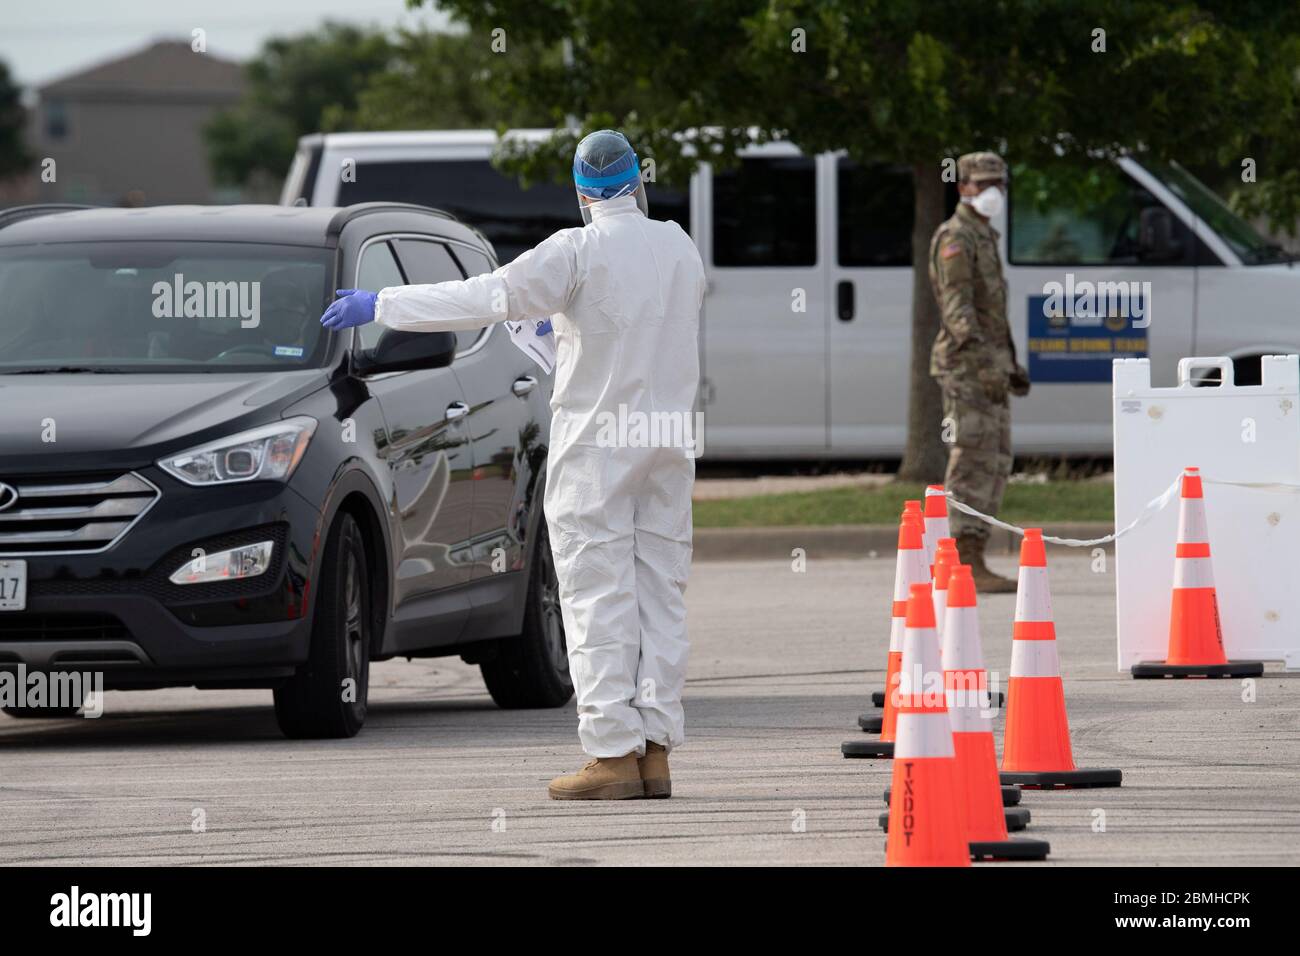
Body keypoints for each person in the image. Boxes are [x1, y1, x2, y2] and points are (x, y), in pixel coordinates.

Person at [321, 130, 706, 799]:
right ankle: (655, 751)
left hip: (599, 445)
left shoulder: (576, 251)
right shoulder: (678, 245)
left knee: (597, 596)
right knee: (659, 595)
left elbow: (486, 297)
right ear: (638, 183)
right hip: (668, 438)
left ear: (583, 191)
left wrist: (381, 304)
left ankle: (612, 755)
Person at [928, 151, 1030, 593]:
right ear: (962, 186)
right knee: (971, 456)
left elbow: (991, 314)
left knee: (997, 458)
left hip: (989, 368)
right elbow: (959, 313)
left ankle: (976, 553)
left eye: (998, 184)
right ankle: (961, 561)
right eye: (982, 183)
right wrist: (988, 364)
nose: (991, 192)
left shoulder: (984, 236)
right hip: (967, 369)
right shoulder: (956, 238)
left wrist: (1009, 363)